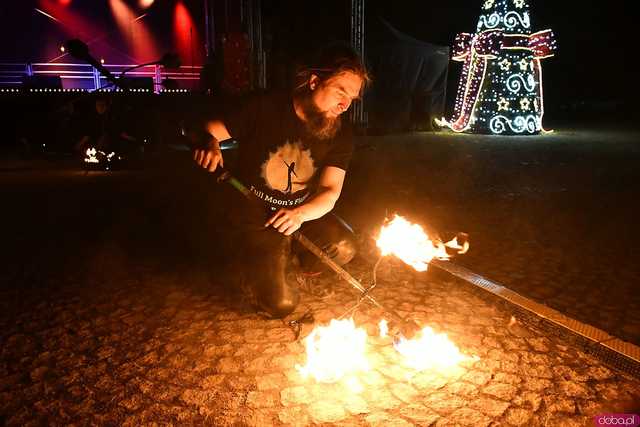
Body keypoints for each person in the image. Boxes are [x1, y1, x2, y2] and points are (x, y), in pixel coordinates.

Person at [194, 44, 370, 318]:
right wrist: (210, 144)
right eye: (340, 91)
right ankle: (255, 268)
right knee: (282, 305)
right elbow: (210, 130)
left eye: (352, 99)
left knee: (345, 245)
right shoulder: (266, 107)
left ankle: (294, 267)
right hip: (258, 218)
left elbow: (331, 191)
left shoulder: (340, 133)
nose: (345, 104)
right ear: (314, 82)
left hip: (298, 215)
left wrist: (300, 214)